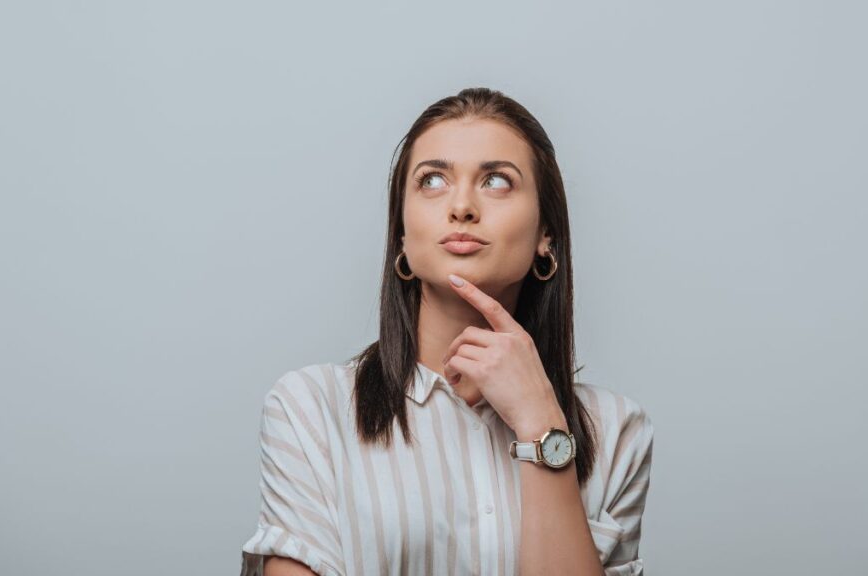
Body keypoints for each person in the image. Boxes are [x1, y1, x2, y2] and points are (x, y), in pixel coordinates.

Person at [239, 87, 654, 576]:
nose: (461, 206)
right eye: (432, 180)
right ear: (402, 236)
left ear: (547, 235)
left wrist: (543, 427)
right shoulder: (310, 409)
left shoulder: (615, 431)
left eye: (497, 181)